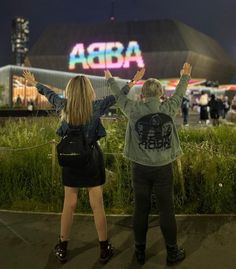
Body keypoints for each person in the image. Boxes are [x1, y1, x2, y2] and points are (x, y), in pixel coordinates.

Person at [22, 71, 120, 264]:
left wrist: (35, 82)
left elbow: (49, 94)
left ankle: (63, 248)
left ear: (70, 91)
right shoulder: (96, 107)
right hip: (92, 159)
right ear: (89, 91)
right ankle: (103, 248)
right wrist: (131, 82)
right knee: (97, 204)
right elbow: (116, 97)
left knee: (69, 204)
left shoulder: (64, 106)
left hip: (70, 159)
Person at [105, 62, 192, 266]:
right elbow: (179, 94)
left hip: (140, 168)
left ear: (142, 94)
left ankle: (140, 252)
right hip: (163, 168)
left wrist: (110, 79)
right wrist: (185, 76)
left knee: (141, 209)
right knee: (166, 209)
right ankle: (172, 252)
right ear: (161, 94)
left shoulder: (133, 109)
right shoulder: (168, 108)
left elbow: (119, 97)